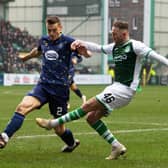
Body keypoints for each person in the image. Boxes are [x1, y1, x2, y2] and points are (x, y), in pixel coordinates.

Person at [36, 20, 168, 160]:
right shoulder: (115, 47)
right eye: (112, 33)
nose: (113, 36)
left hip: (125, 90)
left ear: (124, 34)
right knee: (91, 118)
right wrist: (80, 42)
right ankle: (116, 146)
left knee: (87, 105)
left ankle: (52, 123)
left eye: (115, 34)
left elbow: (157, 56)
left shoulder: (135, 46)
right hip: (115, 87)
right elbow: (98, 48)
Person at [0, 15, 91, 152]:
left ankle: (71, 143)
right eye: (49, 30)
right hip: (43, 85)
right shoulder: (44, 40)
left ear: (60, 27)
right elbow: (38, 51)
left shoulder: (69, 42)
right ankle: (4, 137)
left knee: (59, 129)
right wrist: (26, 57)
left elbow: (85, 54)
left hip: (60, 90)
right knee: (22, 107)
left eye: (54, 30)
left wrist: (83, 54)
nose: (52, 33)